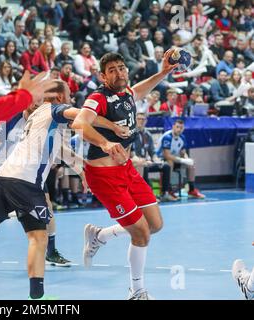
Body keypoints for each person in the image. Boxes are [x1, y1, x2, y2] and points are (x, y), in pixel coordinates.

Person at [0, 80, 126, 299]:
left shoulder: (38, 116)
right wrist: (111, 129)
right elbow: (83, 116)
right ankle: (37, 298)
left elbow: (61, 149)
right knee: (38, 237)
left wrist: (82, 170)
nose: (71, 97)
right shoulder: (55, 110)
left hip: (3, 177)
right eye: (69, 94)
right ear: (61, 98)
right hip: (24, 182)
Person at [72, 50, 179, 300]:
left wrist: (163, 72)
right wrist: (105, 143)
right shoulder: (98, 97)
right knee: (141, 233)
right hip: (104, 175)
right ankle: (137, 291)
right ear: (103, 75)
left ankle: (99, 235)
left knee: (154, 225)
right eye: (112, 70)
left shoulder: (127, 93)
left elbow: (139, 90)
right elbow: (79, 123)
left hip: (126, 169)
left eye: (121, 68)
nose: (119, 72)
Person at [0, 102, 72, 272]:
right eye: (32, 101)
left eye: (39, 102)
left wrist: (79, 166)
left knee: (47, 206)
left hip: (28, 172)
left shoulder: (43, 119)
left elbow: (57, 146)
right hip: (2, 170)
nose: (35, 105)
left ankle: (51, 251)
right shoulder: (11, 121)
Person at [131, 113, 178, 202]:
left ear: (146, 121)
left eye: (143, 119)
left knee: (166, 166)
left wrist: (156, 160)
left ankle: (165, 193)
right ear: (135, 120)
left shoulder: (147, 134)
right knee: (143, 166)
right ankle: (149, 195)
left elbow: (152, 152)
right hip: (136, 162)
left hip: (147, 161)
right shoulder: (132, 134)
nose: (141, 121)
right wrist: (143, 160)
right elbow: (131, 153)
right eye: (139, 119)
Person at [157, 119, 205, 199]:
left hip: (176, 158)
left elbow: (183, 152)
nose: (179, 129)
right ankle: (167, 191)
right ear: (173, 127)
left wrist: (187, 159)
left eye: (181, 128)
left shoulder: (182, 137)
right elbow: (167, 155)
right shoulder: (167, 137)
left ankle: (191, 190)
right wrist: (182, 160)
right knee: (170, 163)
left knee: (191, 165)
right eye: (177, 127)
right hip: (161, 159)